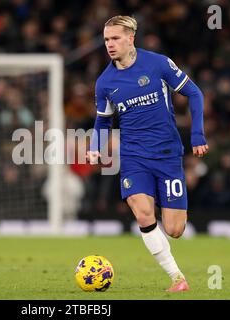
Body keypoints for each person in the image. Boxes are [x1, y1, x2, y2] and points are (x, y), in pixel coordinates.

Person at [86, 16, 209, 292]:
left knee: (175, 229)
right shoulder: (105, 82)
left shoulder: (158, 63)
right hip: (133, 156)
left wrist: (198, 135)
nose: (110, 44)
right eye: (106, 39)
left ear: (131, 38)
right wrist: (96, 146)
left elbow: (195, 93)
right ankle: (178, 278)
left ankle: (170, 241)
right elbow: (103, 120)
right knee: (142, 213)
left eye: (115, 38)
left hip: (167, 154)